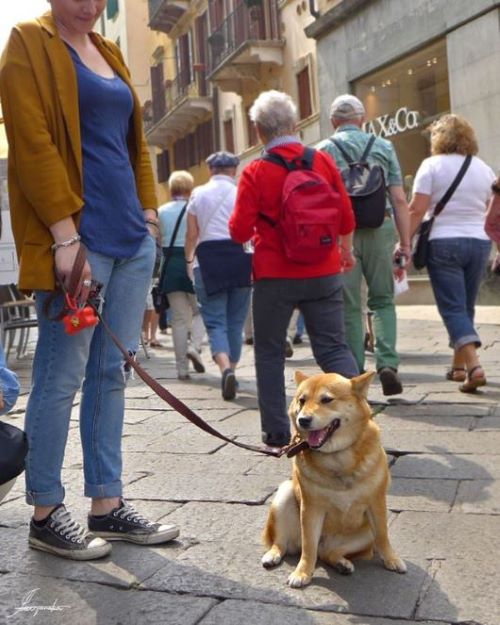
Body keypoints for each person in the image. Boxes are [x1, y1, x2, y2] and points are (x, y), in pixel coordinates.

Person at [0, 0, 179, 560]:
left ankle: (108, 504)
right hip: (79, 241)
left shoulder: (109, 50)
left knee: (111, 374)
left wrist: (149, 216)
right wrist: (63, 233)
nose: (90, 4)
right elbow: (30, 144)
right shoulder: (28, 41)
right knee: (59, 377)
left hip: (130, 238)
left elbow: (136, 148)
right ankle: (46, 512)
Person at [230, 90, 358, 449]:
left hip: (275, 276)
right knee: (333, 348)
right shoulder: (322, 162)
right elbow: (347, 217)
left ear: (258, 131)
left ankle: (275, 431)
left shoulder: (255, 171)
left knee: (269, 351)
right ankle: (357, 417)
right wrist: (345, 252)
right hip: (324, 271)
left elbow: (239, 231)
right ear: (294, 125)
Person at [317, 94, 411, 396]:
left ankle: (354, 372)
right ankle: (387, 364)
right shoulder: (383, 146)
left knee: (349, 305)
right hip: (379, 227)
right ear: (362, 119)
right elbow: (398, 199)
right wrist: (405, 242)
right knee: (382, 300)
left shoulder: (322, 151)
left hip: (340, 233)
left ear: (333, 122)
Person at [409, 114, 495, 392]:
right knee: (465, 305)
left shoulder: (431, 166)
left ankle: (474, 366)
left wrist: (403, 242)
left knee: (452, 307)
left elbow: (417, 210)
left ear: (439, 139)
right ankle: (458, 367)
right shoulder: (484, 169)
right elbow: (493, 211)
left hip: (444, 242)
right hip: (479, 243)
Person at [185, 152, 251, 400]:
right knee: (236, 320)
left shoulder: (198, 194)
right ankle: (232, 370)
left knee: (215, 320)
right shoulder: (242, 191)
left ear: (210, 169)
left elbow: (192, 235)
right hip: (240, 256)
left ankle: (224, 368)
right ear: (234, 169)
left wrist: (189, 261)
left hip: (208, 260)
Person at [158, 170, 205, 380]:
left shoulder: (161, 211)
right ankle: (195, 346)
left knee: (177, 318)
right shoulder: (194, 208)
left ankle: (181, 369)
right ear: (189, 187)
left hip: (170, 264)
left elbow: (158, 240)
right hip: (192, 261)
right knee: (201, 311)